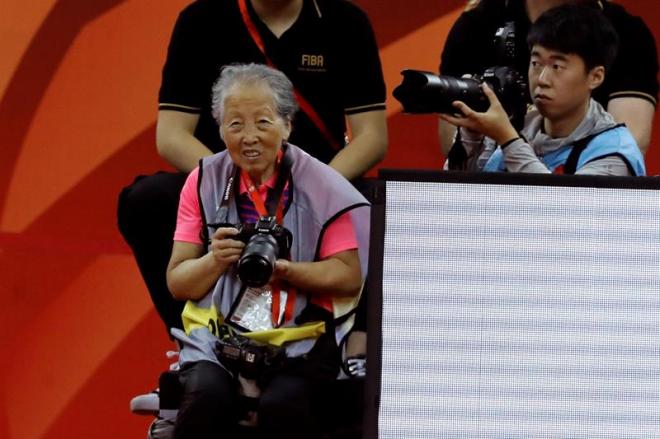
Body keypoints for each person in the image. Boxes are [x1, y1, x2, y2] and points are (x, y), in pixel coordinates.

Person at [118, 0, 385, 381]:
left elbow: (372, 137)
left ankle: (353, 346)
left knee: (381, 203)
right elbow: (172, 135)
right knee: (147, 199)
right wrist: (228, 181)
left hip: (318, 188)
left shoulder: (346, 22)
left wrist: (314, 189)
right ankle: (193, 343)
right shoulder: (200, 21)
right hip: (227, 192)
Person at [167, 63, 370, 438]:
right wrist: (214, 260)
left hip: (300, 343)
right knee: (205, 400)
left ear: (287, 125)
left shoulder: (323, 186)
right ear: (221, 129)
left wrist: (285, 269)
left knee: (284, 408)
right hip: (217, 341)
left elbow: (348, 275)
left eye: (263, 122)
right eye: (235, 124)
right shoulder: (203, 180)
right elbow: (178, 282)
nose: (249, 137)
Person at [439, 2, 646, 176]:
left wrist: (508, 140)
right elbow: (459, 195)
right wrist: (472, 136)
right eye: (536, 63)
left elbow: (559, 213)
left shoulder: (613, 153)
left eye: (557, 67)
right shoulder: (517, 125)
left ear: (595, 76)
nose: (542, 80)